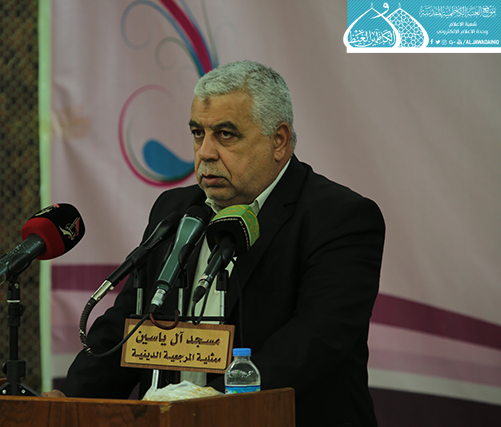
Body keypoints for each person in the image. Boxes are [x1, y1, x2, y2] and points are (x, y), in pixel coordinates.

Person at [44, 60, 385, 427]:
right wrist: (71, 402)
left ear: (279, 140)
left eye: (225, 134)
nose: (205, 152)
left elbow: (313, 341)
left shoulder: (340, 218)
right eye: (197, 133)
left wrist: (209, 406)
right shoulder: (174, 210)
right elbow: (130, 322)